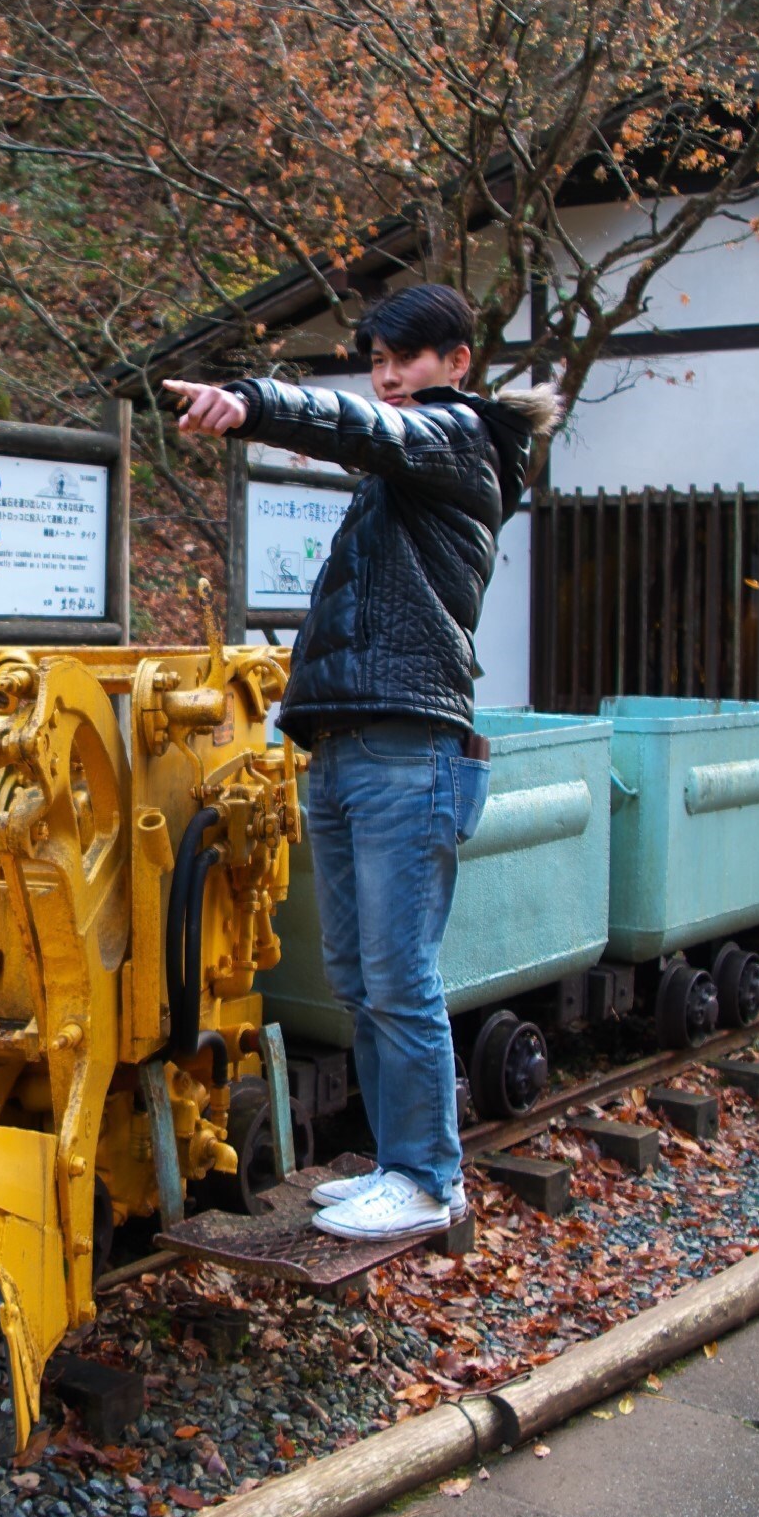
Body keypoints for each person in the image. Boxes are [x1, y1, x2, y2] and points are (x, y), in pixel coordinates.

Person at [163, 283, 556, 1241]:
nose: (387, 378)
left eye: (406, 359)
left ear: (456, 364)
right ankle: (395, 1164)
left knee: (398, 973)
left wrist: (252, 402)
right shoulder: (402, 477)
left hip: (406, 746)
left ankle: (427, 1177)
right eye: (377, 361)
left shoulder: (461, 437)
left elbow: (357, 427)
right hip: (345, 745)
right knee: (357, 974)